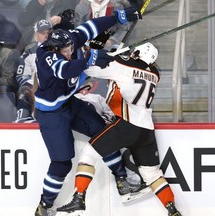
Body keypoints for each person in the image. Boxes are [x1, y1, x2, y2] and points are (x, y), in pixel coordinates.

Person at [33, 7, 142, 216]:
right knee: (62, 163)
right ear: (54, 49)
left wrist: (119, 17)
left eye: (70, 48)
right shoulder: (45, 55)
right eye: (65, 50)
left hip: (69, 102)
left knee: (103, 133)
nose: (69, 51)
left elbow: (92, 27)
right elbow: (65, 70)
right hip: (50, 114)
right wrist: (90, 60)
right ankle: (44, 206)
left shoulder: (68, 40)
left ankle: (122, 181)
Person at [59, 42, 182, 216]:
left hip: (127, 123)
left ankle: (79, 199)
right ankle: (173, 210)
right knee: (152, 174)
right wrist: (114, 55)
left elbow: (90, 70)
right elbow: (133, 70)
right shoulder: (155, 73)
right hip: (146, 129)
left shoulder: (124, 65)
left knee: (88, 154)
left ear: (138, 53)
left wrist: (109, 55)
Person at [14, 19, 53, 123]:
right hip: (35, 88)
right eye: (42, 33)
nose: (46, 35)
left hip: (56, 86)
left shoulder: (61, 50)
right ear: (36, 35)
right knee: (24, 90)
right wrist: (32, 87)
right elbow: (21, 76)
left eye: (48, 32)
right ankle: (23, 118)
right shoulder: (29, 53)